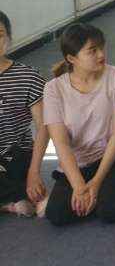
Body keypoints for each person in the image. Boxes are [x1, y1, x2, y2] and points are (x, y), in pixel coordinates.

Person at [43, 24, 115, 225]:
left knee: (110, 211)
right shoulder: (53, 89)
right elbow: (61, 143)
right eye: (92, 51)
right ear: (71, 59)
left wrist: (96, 183)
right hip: (80, 163)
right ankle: (109, 193)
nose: (101, 54)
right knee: (56, 214)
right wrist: (79, 187)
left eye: (101, 47)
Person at [0, 11, 48, 218]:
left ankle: (16, 196)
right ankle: (12, 203)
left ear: (9, 38)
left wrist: (34, 172)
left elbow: (44, 127)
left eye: (0, 34)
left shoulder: (29, 77)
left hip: (16, 156)